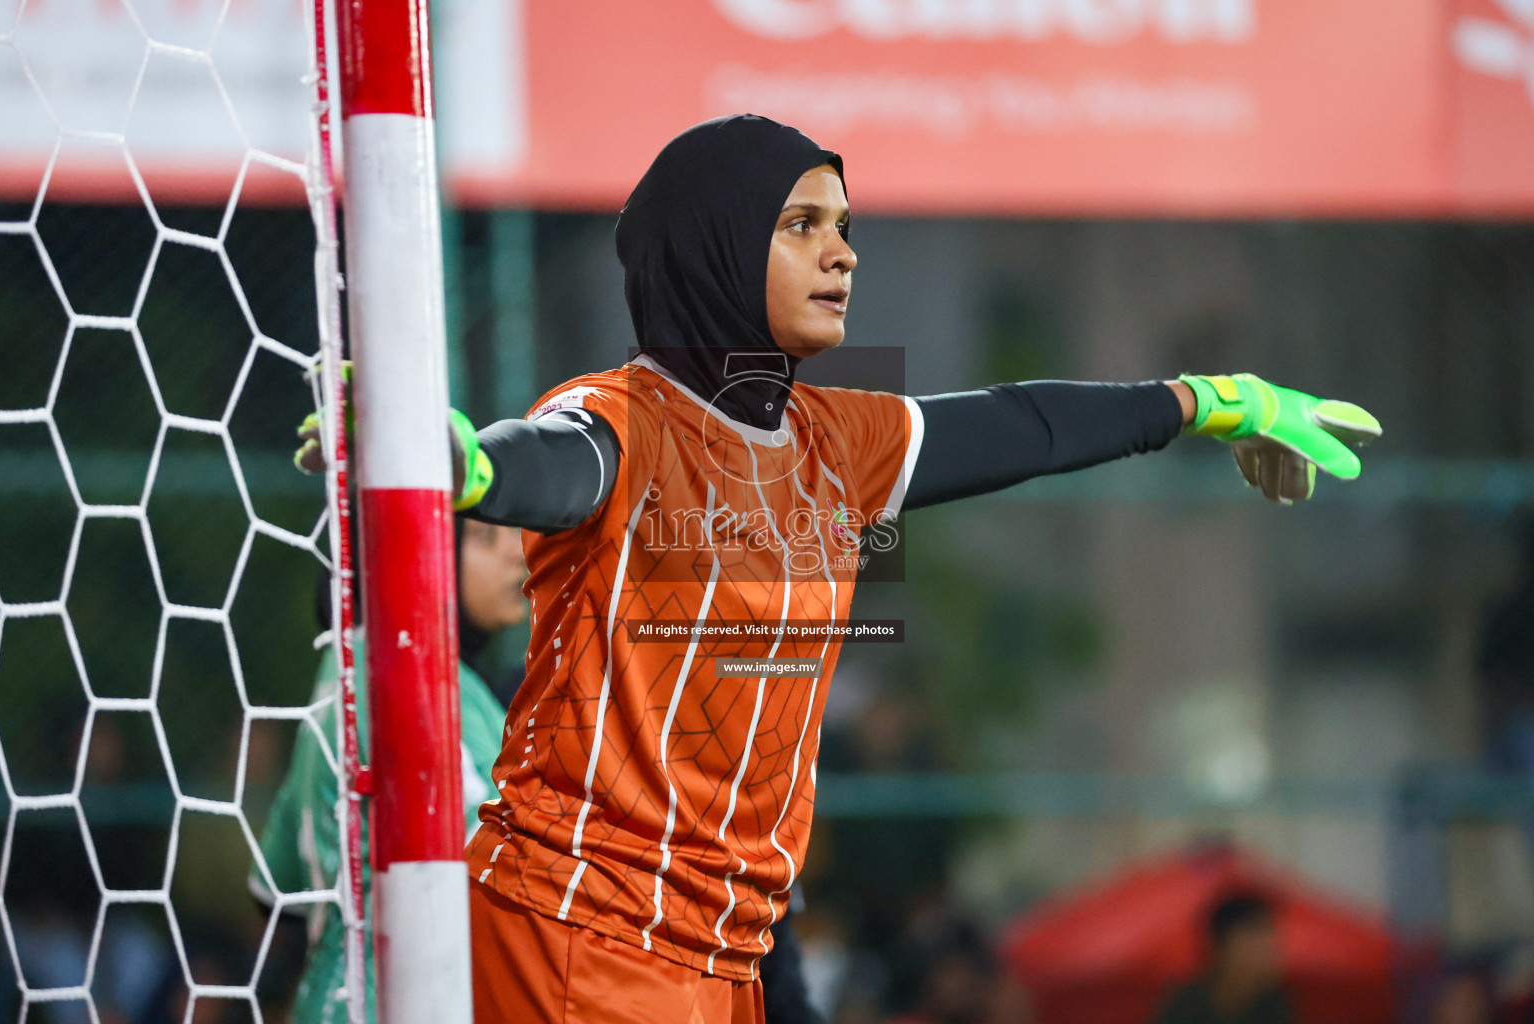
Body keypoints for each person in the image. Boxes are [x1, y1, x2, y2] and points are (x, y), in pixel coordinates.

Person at [300, 115, 1378, 1023]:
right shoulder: (620, 417)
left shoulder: (834, 439)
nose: (843, 252)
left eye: (846, 228)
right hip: (580, 932)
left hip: (727, 954)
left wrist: (1209, 400)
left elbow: (1022, 423)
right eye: (802, 225)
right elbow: (555, 465)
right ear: (716, 245)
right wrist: (467, 464)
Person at [250, 519, 528, 1024]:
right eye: (485, 536)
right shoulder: (424, 686)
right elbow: (512, 887)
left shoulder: (337, 677)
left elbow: (273, 889)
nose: (519, 551)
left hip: (328, 1001)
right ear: (416, 550)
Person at [1154, 893, 1294, 1024]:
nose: (1270, 953)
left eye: (1271, 943)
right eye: (1256, 941)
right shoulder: (1186, 1005)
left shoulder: (1274, 1006)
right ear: (1223, 948)